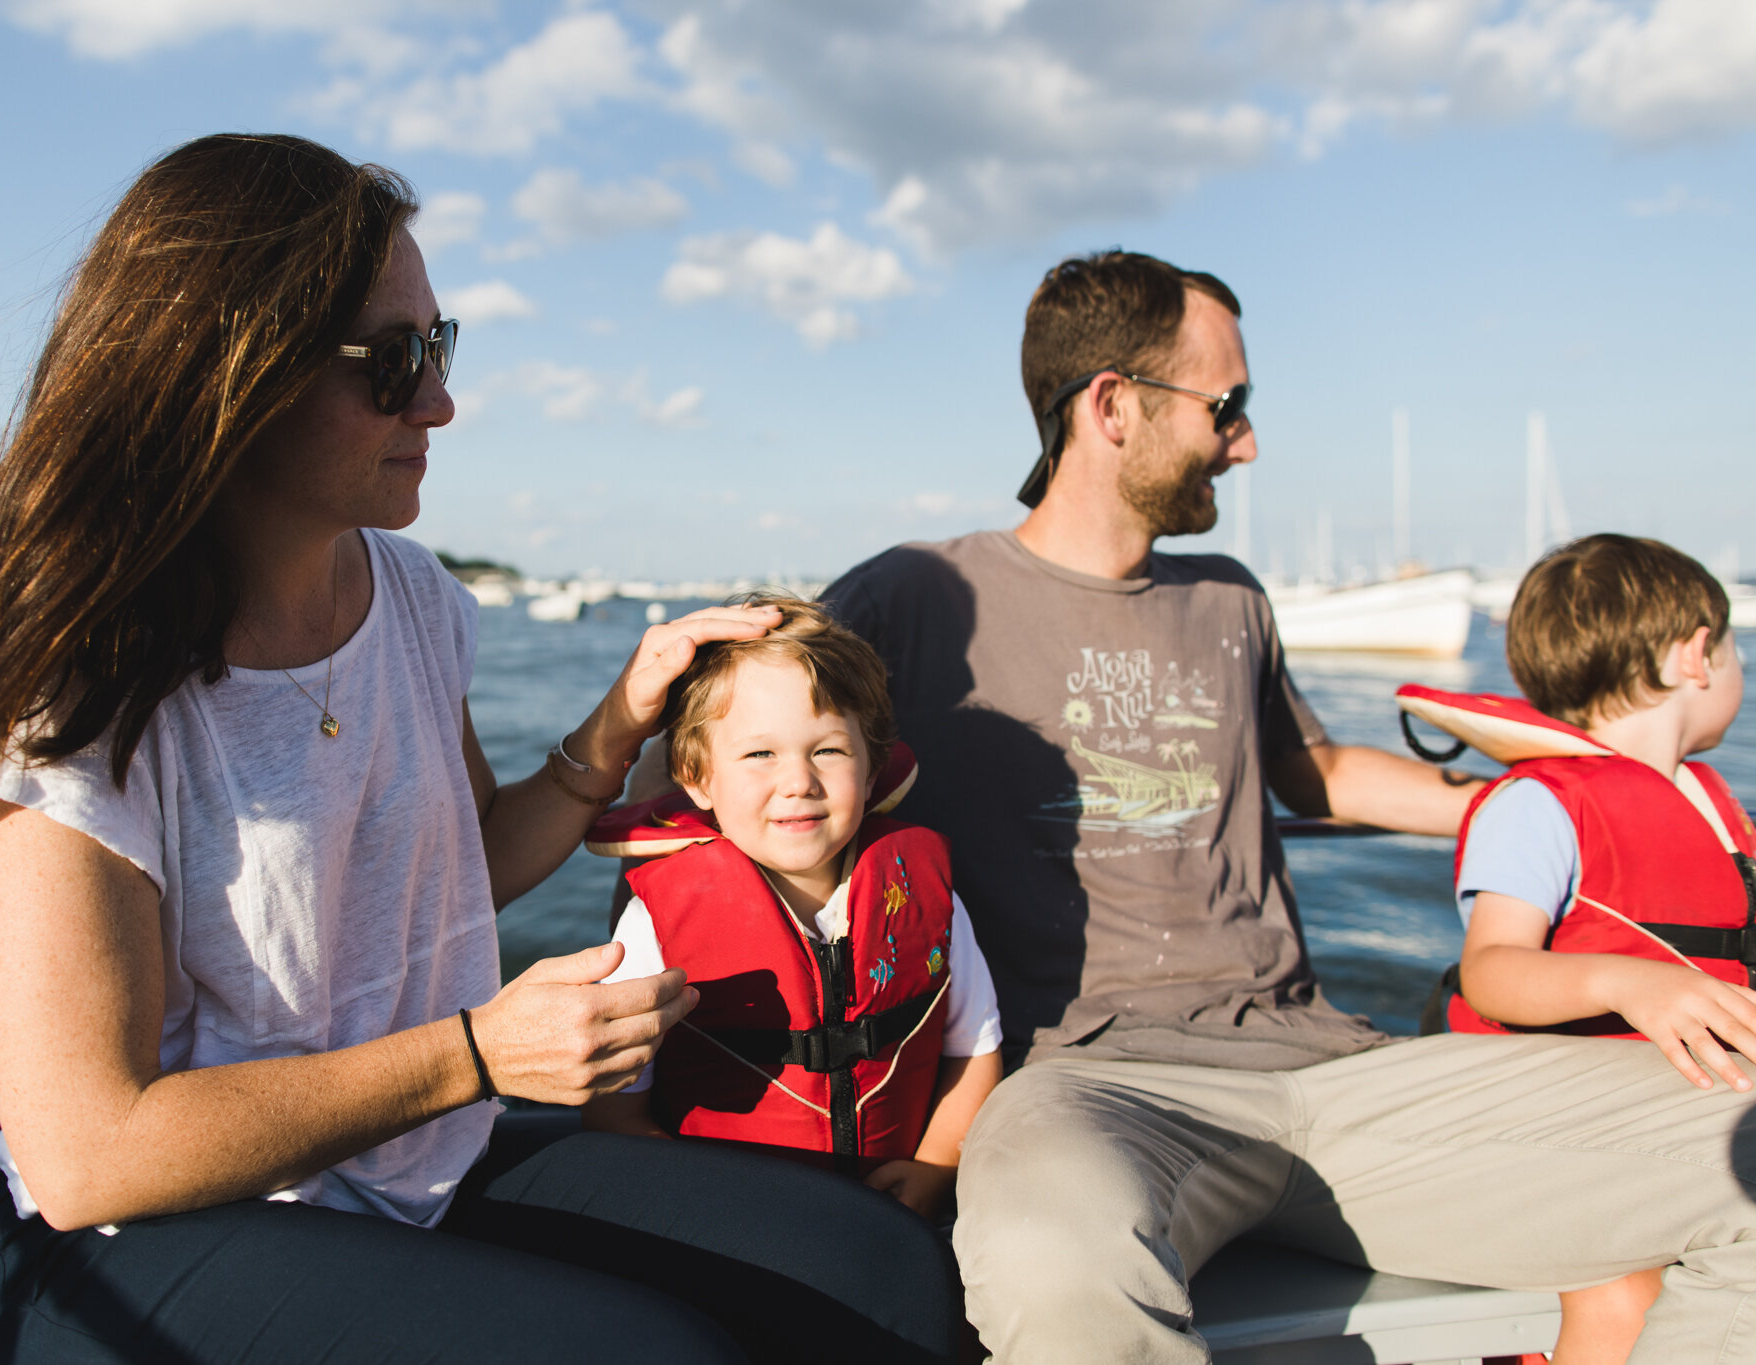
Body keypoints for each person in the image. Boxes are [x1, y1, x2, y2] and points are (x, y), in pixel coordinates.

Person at [0, 133, 965, 1364]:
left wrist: (619, 719)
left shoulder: (409, 600)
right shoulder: (79, 686)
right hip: (117, 1244)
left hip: (405, 1165)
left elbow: (463, 859)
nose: (440, 401)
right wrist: (477, 1053)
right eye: (394, 361)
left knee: (877, 1267)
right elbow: (90, 1151)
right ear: (228, 380)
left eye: (440, 345)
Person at [811, 250, 1756, 1362]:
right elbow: (736, 756)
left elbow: (1313, 772)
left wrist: (1554, 802)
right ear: (1111, 406)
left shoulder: (1229, 599)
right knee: (1050, 1259)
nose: (1247, 441)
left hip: (1339, 1078)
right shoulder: (914, 596)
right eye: (1227, 406)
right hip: (1087, 1083)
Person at [582, 597, 1003, 1221]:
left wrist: (939, 1165)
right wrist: (699, 1207)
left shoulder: (929, 895)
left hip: (897, 1213)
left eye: (828, 750)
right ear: (698, 778)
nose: (799, 781)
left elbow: (974, 1050)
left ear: (872, 764)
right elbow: (614, 1109)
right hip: (729, 1221)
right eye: (760, 755)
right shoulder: (656, 925)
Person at [1444, 533, 1756, 1364]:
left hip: (1686, 1126)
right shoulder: (1541, 805)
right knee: (1622, 1293)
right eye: (1735, 653)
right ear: (1697, 656)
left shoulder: (1708, 807)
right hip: (1568, 1139)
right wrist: (1634, 985)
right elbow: (1493, 969)